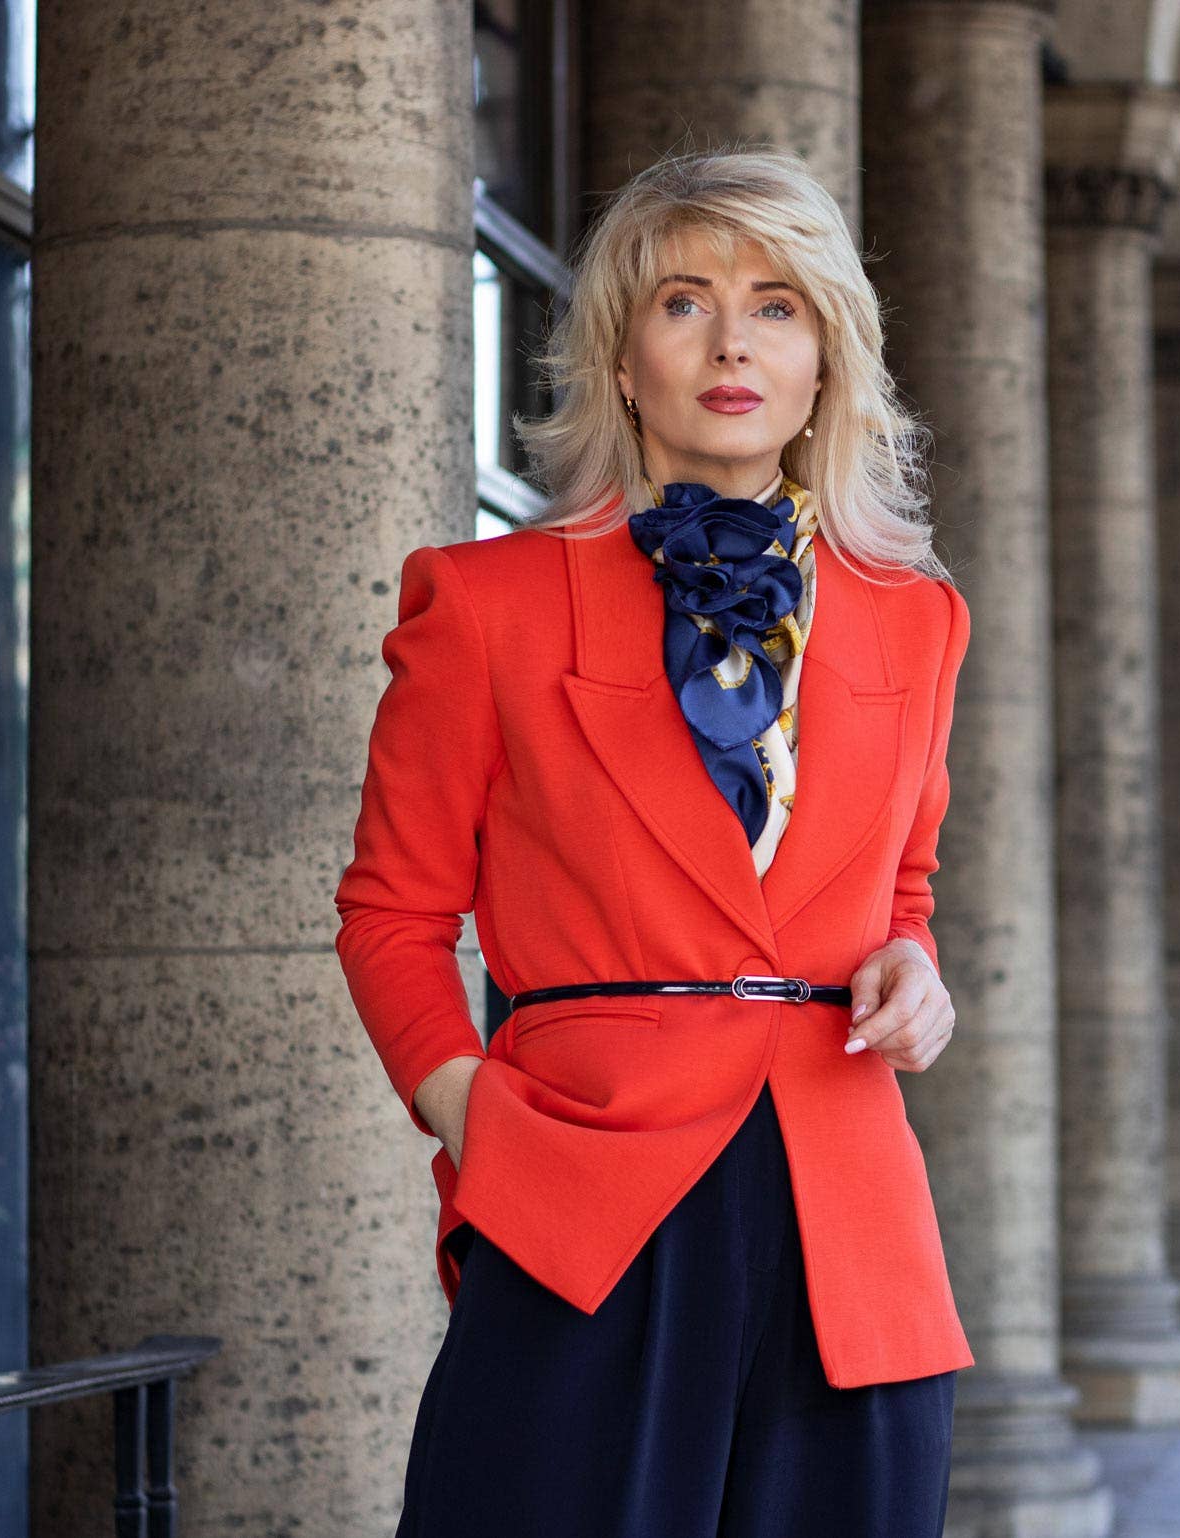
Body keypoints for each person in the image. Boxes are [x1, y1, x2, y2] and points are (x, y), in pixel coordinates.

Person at [333, 143, 975, 1538]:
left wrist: (913, 970)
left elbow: (900, 885)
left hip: (845, 1221)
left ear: (825, 362)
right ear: (623, 363)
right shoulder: (486, 602)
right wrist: (468, 1118)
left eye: (777, 305)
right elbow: (391, 913)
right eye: (683, 302)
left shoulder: (917, 620)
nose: (732, 340)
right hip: (577, 1199)